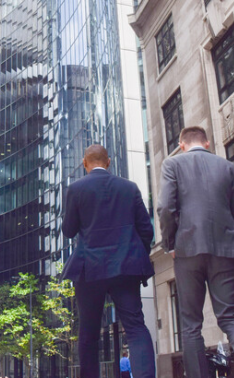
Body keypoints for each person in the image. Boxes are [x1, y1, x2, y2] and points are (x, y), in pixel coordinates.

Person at [157, 127, 234, 378]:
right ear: (207, 143)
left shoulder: (172, 164)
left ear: (181, 144)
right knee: (231, 317)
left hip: (187, 249)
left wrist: (170, 244)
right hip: (226, 248)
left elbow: (165, 207)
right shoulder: (228, 167)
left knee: (191, 324)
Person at [62, 144, 155, 378]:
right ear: (109, 162)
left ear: (84, 163)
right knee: (135, 327)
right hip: (126, 267)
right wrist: (134, 257)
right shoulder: (129, 188)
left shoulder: (75, 189)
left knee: (88, 333)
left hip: (89, 268)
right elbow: (146, 230)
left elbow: (69, 230)